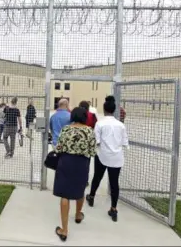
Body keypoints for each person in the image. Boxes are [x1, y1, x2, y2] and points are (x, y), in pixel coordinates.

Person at [53, 107, 97, 242]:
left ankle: (64, 230)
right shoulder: (89, 131)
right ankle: (78, 215)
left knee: (65, 195)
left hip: (66, 162)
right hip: (82, 163)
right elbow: (92, 151)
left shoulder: (66, 129)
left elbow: (58, 147)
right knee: (80, 189)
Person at [86, 96, 129, 222]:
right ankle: (114, 209)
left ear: (104, 110)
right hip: (117, 158)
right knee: (114, 182)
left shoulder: (100, 124)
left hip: (102, 156)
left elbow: (97, 141)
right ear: (114, 110)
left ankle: (92, 197)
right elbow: (125, 142)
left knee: (97, 177)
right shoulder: (121, 125)